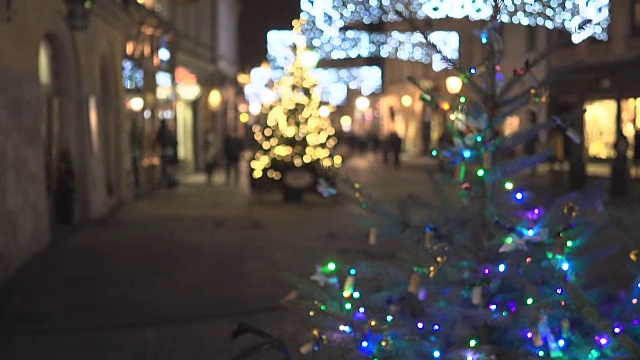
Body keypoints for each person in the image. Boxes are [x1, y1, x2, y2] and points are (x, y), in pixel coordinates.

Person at [155, 121, 178, 188]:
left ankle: (169, 181)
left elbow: (156, 140)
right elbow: (175, 142)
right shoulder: (169, 131)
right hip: (171, 152)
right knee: (169, 168)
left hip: (165, 151)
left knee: (165, 168)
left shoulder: (162, 131)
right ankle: (171, 181)